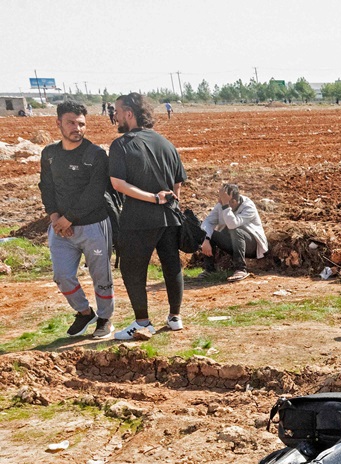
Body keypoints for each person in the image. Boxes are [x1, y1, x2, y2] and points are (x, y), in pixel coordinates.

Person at [108, 92, 187, 341]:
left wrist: (152, 198)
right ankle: (175, 317)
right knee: (172, 266)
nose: (115, 117)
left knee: (132, 270)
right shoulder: (166, 143)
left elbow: (118, 184)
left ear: (129, 113)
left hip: (139, 219)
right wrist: (167, 200)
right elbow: (177, 184)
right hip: (169, 218)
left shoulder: (121, 144)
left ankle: (142, 322)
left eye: (118, 112)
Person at [38, 100, 116, 339]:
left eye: (81, 124)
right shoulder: (49, 154)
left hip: (93, 226)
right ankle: (84, 312)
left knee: (101, 277)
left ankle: (105, 319)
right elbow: (46, 186)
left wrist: (69, 218)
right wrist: (54, 216)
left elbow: (94, 193)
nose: (77, 128)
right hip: (60, 229)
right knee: (61, 275)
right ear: (58, 123)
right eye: (71, 123)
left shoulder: (95, 155)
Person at [199, 183, 267, 282]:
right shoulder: (221, 205)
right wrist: (206, 239)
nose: (218, 202)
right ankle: (209, 270)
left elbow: (233, 224)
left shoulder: (248, 207)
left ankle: (241, 269)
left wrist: (225, 206)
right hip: (233, 244)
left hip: (252, 247)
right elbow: (208, 221)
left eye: (222, 200)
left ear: (234, 202)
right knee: (206, 231)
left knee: (235, 229)